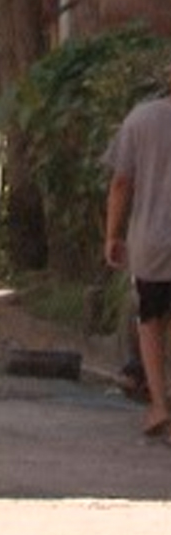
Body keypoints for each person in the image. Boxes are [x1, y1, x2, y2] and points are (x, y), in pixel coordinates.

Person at [102, 67, 171, 436]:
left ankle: (160, 404)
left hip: (151, 240)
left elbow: (121, 182)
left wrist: (112, 234)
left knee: (151, 322)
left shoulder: (140, 120)